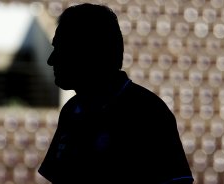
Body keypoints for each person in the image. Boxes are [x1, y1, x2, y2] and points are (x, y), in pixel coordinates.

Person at [38, 3, 194, 184]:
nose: (51, 60)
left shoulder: (148, 113)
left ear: (88, 52)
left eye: (61, 49)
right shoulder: (72, 111)